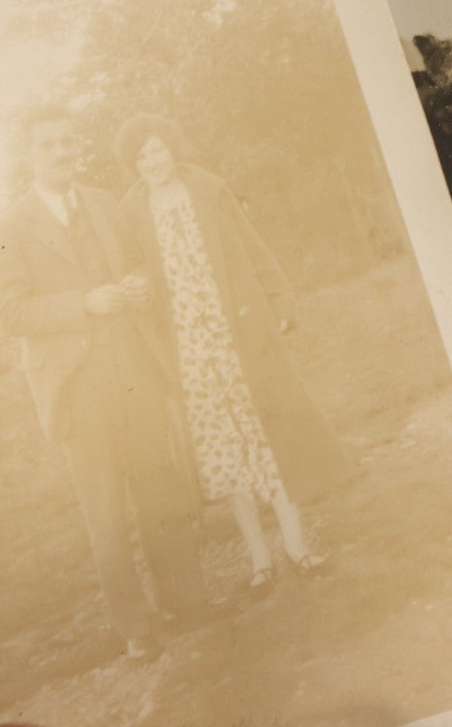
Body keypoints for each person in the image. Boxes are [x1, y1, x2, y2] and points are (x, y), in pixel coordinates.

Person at [0, 104, 209, 660]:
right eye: (48, 145)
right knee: (105, 512)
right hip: (76, 388)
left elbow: (143, 268)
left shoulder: (106, 204)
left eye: (67, 142)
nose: (61, 152)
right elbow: (11, 314)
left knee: (162, 489)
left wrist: (136, 285)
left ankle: (188, 603)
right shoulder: (9, 228)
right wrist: (85, 302)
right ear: (28, 156)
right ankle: (136, 629)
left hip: (133, 368)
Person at [114, 114, 350, 595]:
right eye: (141, 156)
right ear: (132, 165)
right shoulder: (129, 211)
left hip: (236, 334)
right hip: (190, 349)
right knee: (225, 455)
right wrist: (137, 287)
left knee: (269, 437)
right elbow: (134, 273)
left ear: (171, 148)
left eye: (157, 150)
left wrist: (279, 302)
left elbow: (252, 247)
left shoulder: (208, 187)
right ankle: (260, 561)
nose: (153, 161)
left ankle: (297, 548)